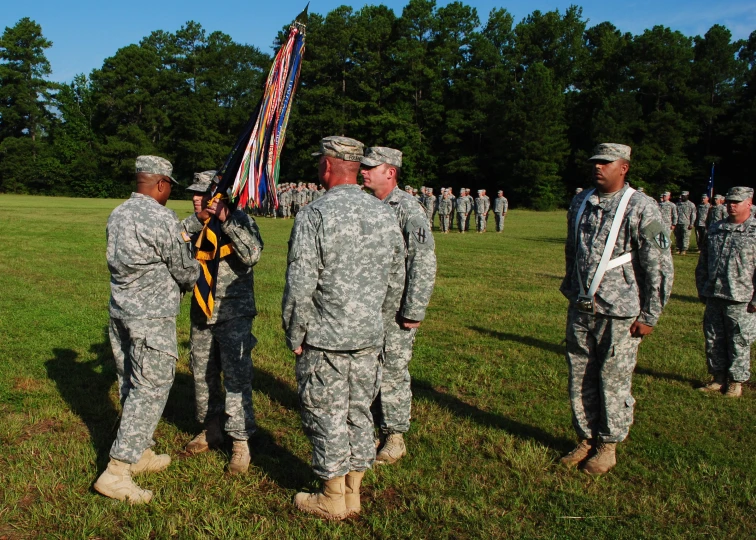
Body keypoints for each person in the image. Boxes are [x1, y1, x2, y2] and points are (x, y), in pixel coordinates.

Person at [282, 136, 406, 520]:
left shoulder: (315, 214)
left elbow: (300, 282)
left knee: (326, 413)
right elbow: (395, 279)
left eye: (320, 161)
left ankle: (332, 498)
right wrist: (381, 325)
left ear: (330, 166)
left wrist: (294, 331)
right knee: (358, 413)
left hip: (326, 338)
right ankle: (353, 492)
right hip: (368, 337)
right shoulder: (384, 212)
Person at [560, 143, 673, 475]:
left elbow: (658, 265)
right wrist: (571, 289)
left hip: (620, 310)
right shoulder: (581, 201)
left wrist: (650, 314)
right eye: (595, 162)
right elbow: (572, 250)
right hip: (582, 307)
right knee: (580, 377)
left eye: (606, 163)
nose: (598, 167)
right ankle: (586, 437)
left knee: (613, 379)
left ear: (623, 167)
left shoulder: (641, 206)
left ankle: (607, 445)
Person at [94, 156, 200, 503]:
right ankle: (117, 470)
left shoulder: (119, 213)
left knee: (130, 384)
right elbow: (184, 270)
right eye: (170, 187)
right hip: (151, 319)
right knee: (150, 390)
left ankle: (138, 451)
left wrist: (195, 224)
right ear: (160, 184)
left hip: (121, 313)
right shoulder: (161, 217)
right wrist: (197, 268)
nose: (170, 193)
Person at [181, 171, 264, 473]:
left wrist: (227, 220)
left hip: (233, 312)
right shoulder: (192, 226)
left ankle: (240, 441)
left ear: (218, 197)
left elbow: (252, 254)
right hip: (202, 311)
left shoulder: (240, 220)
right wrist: (194, 224)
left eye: (202, 194)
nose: (195, 198)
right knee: (202, 373)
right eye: (193, 193)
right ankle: (210, 427)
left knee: (236, 377)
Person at [360, 146, 437, 466]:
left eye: (370, 167)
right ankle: (370, 428)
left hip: (395, 309)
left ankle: (394, 435)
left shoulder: (407, 208)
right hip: (365, 306)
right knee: (366, 369)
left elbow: (424, 260)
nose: (362, 171)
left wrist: (414, 309)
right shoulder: (365, 205)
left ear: (389, 172)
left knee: (392, 370)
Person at [695, 187, 756, 398]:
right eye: (729, 201)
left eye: (736, 202)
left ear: (749, 203)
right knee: (713, 339)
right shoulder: (716, 228)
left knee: (739, 340)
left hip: (741, 297)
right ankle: (718, 378)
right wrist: (702, 287)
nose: (731, 205)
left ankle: (736, 382)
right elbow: (703, 261)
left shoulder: (754, 230)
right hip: (714, 294)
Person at [675, 191, 697, 255]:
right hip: (678, 222)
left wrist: (691, 223)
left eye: (684, 196)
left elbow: (693, 214)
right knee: (678, 237)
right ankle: (679, 248)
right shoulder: (678, 204)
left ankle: (684, 249)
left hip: (686, 223)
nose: (683, 197)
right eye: (682, 196)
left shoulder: (691, 204)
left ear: (687, 196)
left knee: (685, 237)